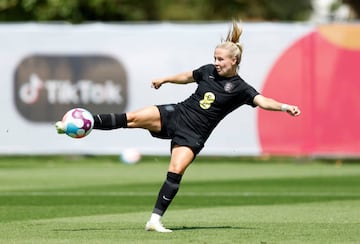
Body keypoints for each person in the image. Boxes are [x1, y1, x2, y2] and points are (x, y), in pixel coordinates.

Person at [55, 20, 301, 233]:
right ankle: (81, 124)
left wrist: (283, 107)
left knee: (175, 170)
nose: (215, 62)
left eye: (220, 59)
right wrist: (165, 79)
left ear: (234, 60)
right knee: (131, 118)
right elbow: (187, 76)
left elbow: (263, 101)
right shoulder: (207, 71)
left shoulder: (241, 88)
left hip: (194, 134)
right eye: (214, 58)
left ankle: (154, 221)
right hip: (177, 113)